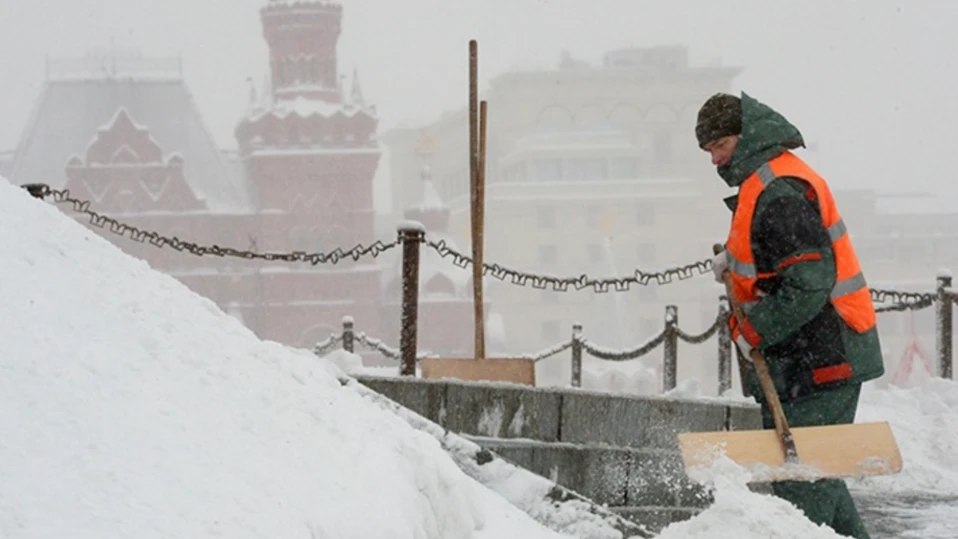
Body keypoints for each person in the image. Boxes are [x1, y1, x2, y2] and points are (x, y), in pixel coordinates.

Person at [695, 91, 883, 539]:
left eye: (719, 147)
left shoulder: (779, 193)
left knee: (804, 490)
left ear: (746, 139)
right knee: (815, 477)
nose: (715, 161)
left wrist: (754, 331)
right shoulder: (766, 184)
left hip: (823, 356)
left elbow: (808, 284)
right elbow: (780, 268)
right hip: (810, 357)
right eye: (709, 152)